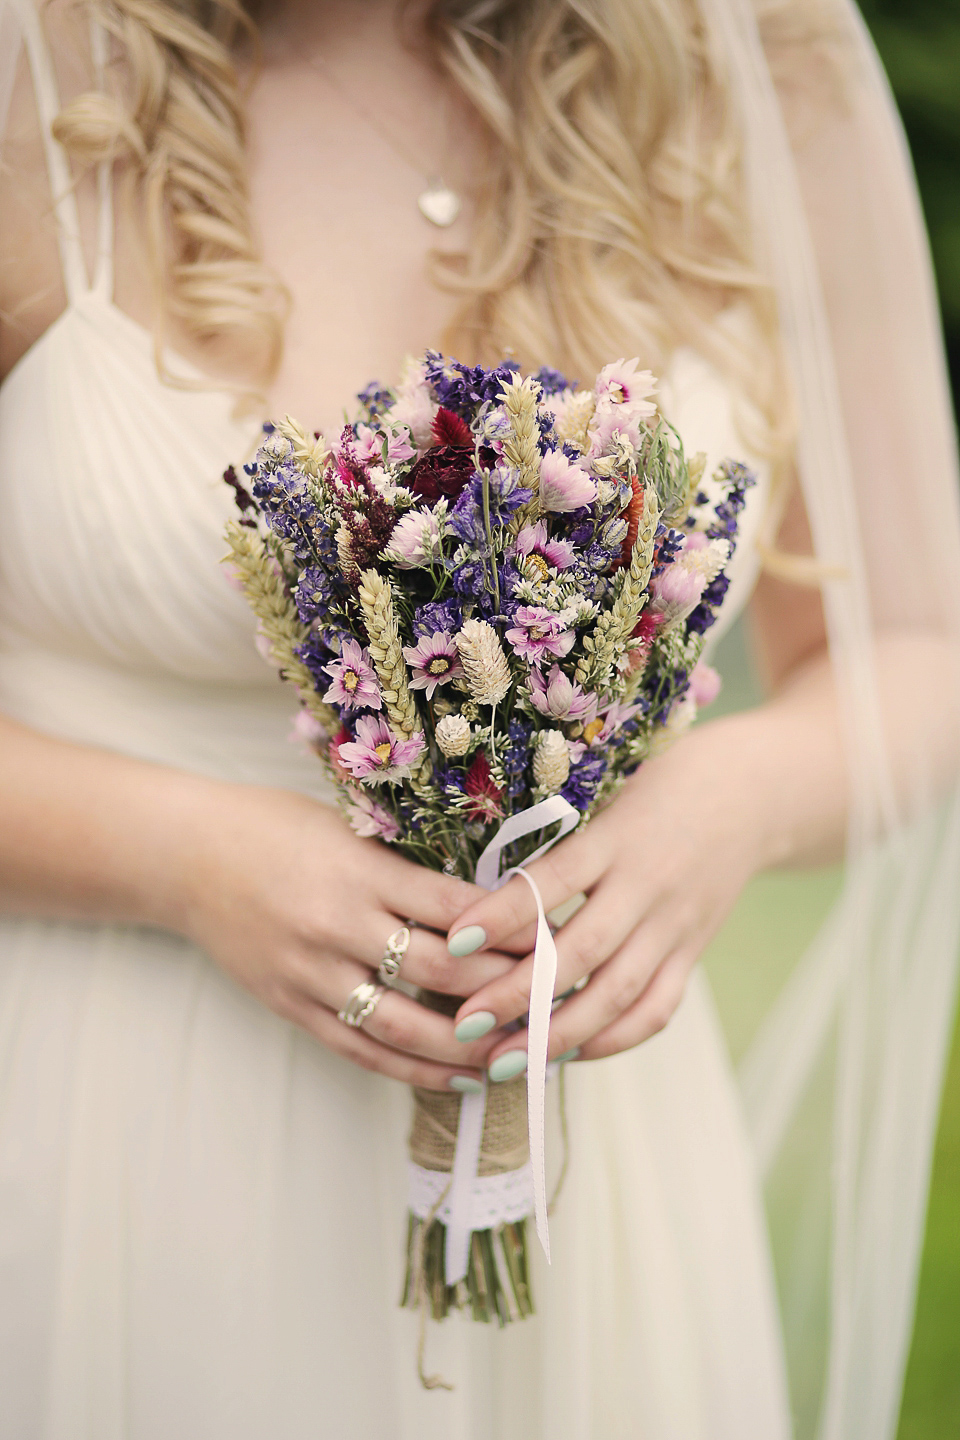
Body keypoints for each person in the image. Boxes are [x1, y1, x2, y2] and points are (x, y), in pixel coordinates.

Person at [0, 1, 958, 1436]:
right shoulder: (38, 64)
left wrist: (725, 805)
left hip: (593, 1156)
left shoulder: (762, 65)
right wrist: (180, 857)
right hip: (115, 1116)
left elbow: (917, 645)